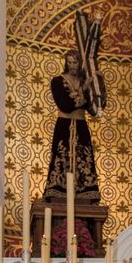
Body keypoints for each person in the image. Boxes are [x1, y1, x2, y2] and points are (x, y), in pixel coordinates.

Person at [43, 49, 101, 203]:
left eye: (75, 62)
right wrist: (83, 90)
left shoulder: (85, 81)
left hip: (81, 126)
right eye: (69, 62)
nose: (72, 66)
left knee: (84, 156)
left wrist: (97, 85)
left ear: (80, 63)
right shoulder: (57, 81)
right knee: (61, 157)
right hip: (64, 126)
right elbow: (65, 105)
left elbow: (93, 108)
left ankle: (84, 191)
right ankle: (58, 189)